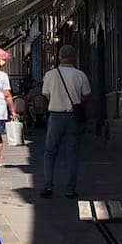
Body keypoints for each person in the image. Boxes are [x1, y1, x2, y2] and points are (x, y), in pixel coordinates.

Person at [40, 44, 91, 198]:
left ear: (60, 57)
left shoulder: (50, 75)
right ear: (74, 58)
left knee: (49, 152)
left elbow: (46, 94)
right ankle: (70, 189)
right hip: (73, 117)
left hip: (55, 116)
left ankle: (48, 186)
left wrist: (56, 99)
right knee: (72, 153)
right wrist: (76, 101)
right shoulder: (80, 75)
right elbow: (87, 95)